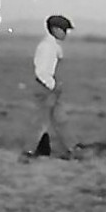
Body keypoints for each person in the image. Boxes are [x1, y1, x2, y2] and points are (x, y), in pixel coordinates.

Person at [22, 14, 74, 159]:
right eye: (64, 30)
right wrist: (52, 86)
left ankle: (71, 149)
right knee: (41, 121)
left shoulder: (53, 46)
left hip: (51, 88)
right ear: (55, 29)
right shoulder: (47, 47)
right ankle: (28, 151)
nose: (66, 33)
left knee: (60, 119)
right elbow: (41, 71)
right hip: (46, 88)